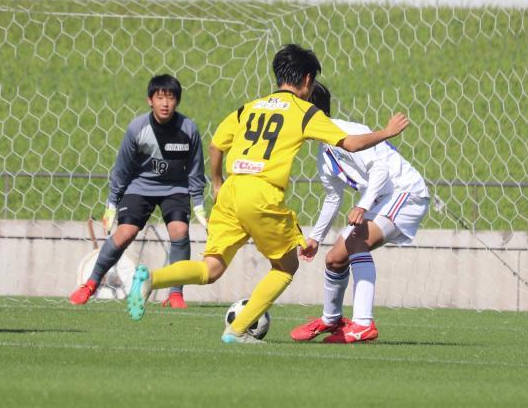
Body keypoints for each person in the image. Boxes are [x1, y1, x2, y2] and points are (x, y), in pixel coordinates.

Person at [126, 44, 409, 343]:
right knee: (286, 267)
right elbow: (349, 143)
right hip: (261, 193)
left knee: (211, 268)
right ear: (308, 80)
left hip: (232, 189)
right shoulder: (305, 111)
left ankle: (152, 278)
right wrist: (386, 132)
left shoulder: (249, 107)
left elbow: (216, 144)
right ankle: (237, 330)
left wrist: (218, 183)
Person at [290, 82, 431, 344]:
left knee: (356, 242)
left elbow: (380, 171)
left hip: (406, 193)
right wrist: (315, 238)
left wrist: (362, 205)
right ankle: (332, 319)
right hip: (383, 198)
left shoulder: (346, 132)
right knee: (334, 259)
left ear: (313, 113)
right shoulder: (324, 151)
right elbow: (333, 197)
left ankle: (363, 324)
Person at [69, 74, 206, 308]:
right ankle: (90, 283)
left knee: (180, 230)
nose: (165, 103)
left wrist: (199, 203)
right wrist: (112, 203)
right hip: (140, 186)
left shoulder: (188, 129)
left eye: (171, 98)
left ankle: (175, 294)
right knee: (125, 233)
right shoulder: (137, 128)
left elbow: (195, 168)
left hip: (175, 188)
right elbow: (122, 168)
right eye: (160, 97)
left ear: (178, 101)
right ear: (150, 100)